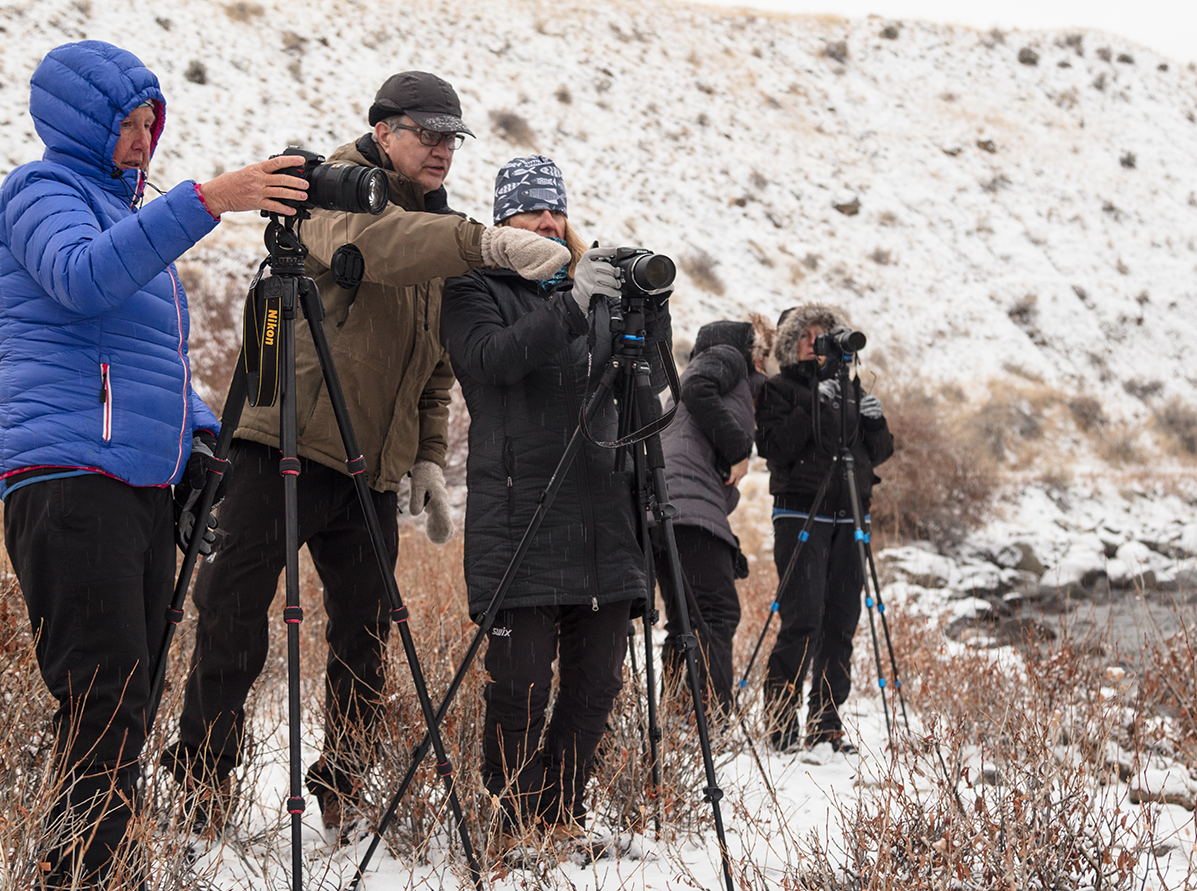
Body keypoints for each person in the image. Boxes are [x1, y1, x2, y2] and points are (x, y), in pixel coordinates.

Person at [166, 72, 570, 838]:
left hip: (369, 469)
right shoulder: (324, 189)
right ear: (385, 131)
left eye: (453, 137)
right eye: (428, 133)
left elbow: (434, 362)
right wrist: (482, 245)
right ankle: (201, 783)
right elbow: (377, 250)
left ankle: (342, 785)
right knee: (232, 617)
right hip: (279, 442)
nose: (443, 149)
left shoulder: (442, 226)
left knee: (365, 635)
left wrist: (424, 456)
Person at [0, 41, 309, 889]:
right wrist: (208, 200)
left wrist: (202, 430)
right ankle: (83, 872)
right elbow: (83, 282)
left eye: (147, 124)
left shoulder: (129, 218)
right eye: (123, 123)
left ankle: (94, 863)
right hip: (67, 477)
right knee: (102, 694)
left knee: (126, 699)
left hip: (136, 482)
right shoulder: (39, 193)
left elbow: (147, 358)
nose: (138, 139)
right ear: (79, 121)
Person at [442, 155, 672, 851]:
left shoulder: (599, 288)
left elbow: (646, 396)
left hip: (605, 514)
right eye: (531, 211)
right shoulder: (472, 286)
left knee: (597, 685)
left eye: (556, 211)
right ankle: (511, 819)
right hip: (520, 511)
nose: (548, 222)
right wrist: (568, 307)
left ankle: (559, 813)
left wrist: (646, 316)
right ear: (503, 220)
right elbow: (490, 362)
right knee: (518, 684)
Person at [754, 304, 894, 757]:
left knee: (840, 622)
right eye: (807, 337)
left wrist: (871, 416)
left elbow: (880, 451)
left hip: (850, 515)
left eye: (824, 336)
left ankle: (826, 724)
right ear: (790, 346)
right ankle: (780, 724)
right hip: (800, 513)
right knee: (803, 618)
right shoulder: (779, 389)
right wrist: (816, 399)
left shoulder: (850, 391)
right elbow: (775, 447)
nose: (818, 345)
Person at [653, 317, 771, 716]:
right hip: (687, 510)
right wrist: (740, 450)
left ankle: (676, 716)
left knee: (686, 620)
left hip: (668, 507)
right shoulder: (725, 357)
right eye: (764, 351)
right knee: (717, 613)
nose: (765, 361)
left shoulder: (738, 386)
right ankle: (712, 719)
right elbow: (697, 390)